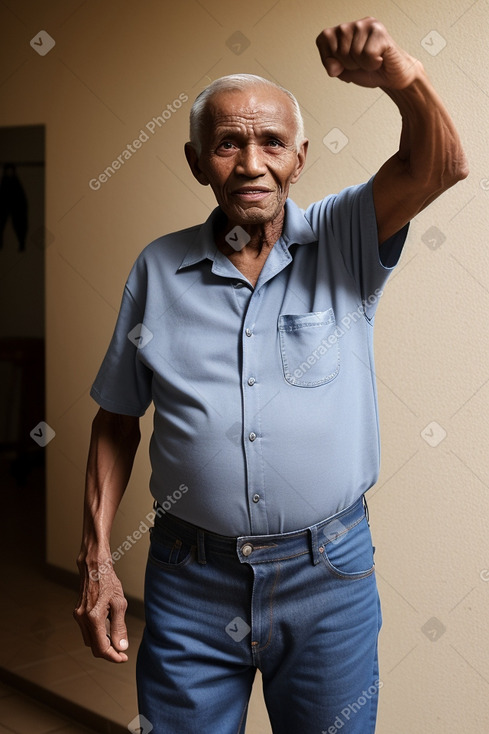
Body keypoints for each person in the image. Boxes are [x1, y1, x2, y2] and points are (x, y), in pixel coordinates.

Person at [74, 17, 468, 734]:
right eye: (228, 143)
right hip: (189, 579)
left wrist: (399, 78)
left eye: (270, 143)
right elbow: (116, 416)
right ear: (198, 161)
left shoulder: (345, 236)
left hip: (328, 578)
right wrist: (97, 557)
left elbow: (437, 166)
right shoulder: (156, 270)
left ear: (299, 159)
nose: (250, 162)